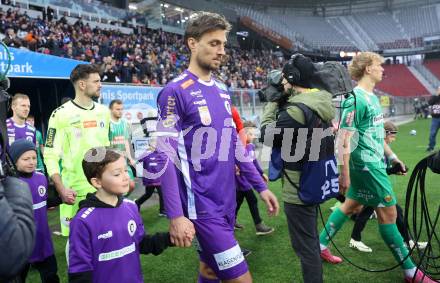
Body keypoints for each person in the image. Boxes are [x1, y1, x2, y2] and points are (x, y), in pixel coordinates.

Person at [156, 12, 279, 283]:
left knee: (209, 271)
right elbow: (164, 154)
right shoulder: (174, 92)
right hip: (202, 206)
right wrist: (176, 216)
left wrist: (260, 186)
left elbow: (234, 143)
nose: (221, 51)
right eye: (213, 43)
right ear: (192, 43)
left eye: (223, 44)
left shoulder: (222, 90)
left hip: (226, 202)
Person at [318, 52, 435, 283]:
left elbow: (377, 136)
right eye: (379, 65)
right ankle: (411, 273)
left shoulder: (372, 97)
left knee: (351, 204)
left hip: (373, 163)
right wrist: (344, 174)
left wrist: (393, 158)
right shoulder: (356, 98)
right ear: (368, 69)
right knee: (389, 213)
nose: (383, 69)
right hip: (366, 166)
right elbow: (344, 137)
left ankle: (319, 245)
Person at [260, 55, 336, 283]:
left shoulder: (296, 109)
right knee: (309, 240)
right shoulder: (319, 100)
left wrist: (273, 102)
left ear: (292, 78)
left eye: (284, 78)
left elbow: (266, 135)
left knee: (305, 248)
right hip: (314, 177)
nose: (281, 83)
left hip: (298, 185)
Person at [68, 147, 173, 282]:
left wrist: (169, 239)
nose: (126, 177)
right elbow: (80, 271)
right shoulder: (83, 221)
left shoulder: (131, 207)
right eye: (117, 174)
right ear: (97, 182)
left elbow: (140, 243)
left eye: (126, 170)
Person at [44, 64, 110, 236]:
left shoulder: (104, 112)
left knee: (106, 239)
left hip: (103, 188)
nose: (100, 84)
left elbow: (107, 149)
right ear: (82, 85)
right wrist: (61, 189)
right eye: (96, 81)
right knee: (76, 246)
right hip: (74, 193)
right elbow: (50, 155)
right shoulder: (60, 114)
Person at [349, 121, 428, 253]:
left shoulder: (379, 146)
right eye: (392, 136)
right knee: (396, 212)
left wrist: (394, 169)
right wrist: (392, 170)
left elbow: (381, 170)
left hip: (373, 183)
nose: (393, 139)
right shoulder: (376, 147)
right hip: (374, 184)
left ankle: (355, 239)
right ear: (385, 133)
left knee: (366, 212)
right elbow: (377, 170)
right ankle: (408, 241)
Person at [8, 140, 61, 283]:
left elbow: (45, 201)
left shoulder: (41, 177)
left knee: (50, 275)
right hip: (21, 243)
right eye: (26, 159)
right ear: (14, 160)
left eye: (34, 158)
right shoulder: (9, 183)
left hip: (43, 240)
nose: (31, 162)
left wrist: (62, 198)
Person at [235, 121, 274, 236]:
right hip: (240, 182)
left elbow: (254, 163)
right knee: (253, 200)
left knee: (237, 202)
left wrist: (261, 173)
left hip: (245, 181)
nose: (253, 137)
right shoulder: (238, 148)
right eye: (251, 134)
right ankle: (259, 225)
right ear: (243, 134)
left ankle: (231, 221)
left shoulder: (251, 146)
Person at [108, 99, 136, 193]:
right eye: (117, 109)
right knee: (115, 186)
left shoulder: (124, 123)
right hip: (112, 160)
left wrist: (130, 158)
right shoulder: (108, 124)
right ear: (110, 110)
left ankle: (121, 201)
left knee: (131, 185)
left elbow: (126, 142)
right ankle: (118, 203)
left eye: (121, 109)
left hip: (123, 160)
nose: (120, 111)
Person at [135, 137, 166, 215]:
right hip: (150, 179)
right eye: (153, 143)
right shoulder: (146, 153)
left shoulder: (160, 153)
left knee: (162, 194)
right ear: (149, 144)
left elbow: (165, 162)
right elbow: (138, 161)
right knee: (148, 194)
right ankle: (137, 203)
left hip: (159, 178)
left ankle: (162, 211)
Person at [427, 86, 440, 152]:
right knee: (432, 134)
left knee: (433, 133)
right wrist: (436, 95)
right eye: (438, 90)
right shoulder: (434, 97)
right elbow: (429, 103)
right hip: (435, 119)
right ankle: (431, 147)